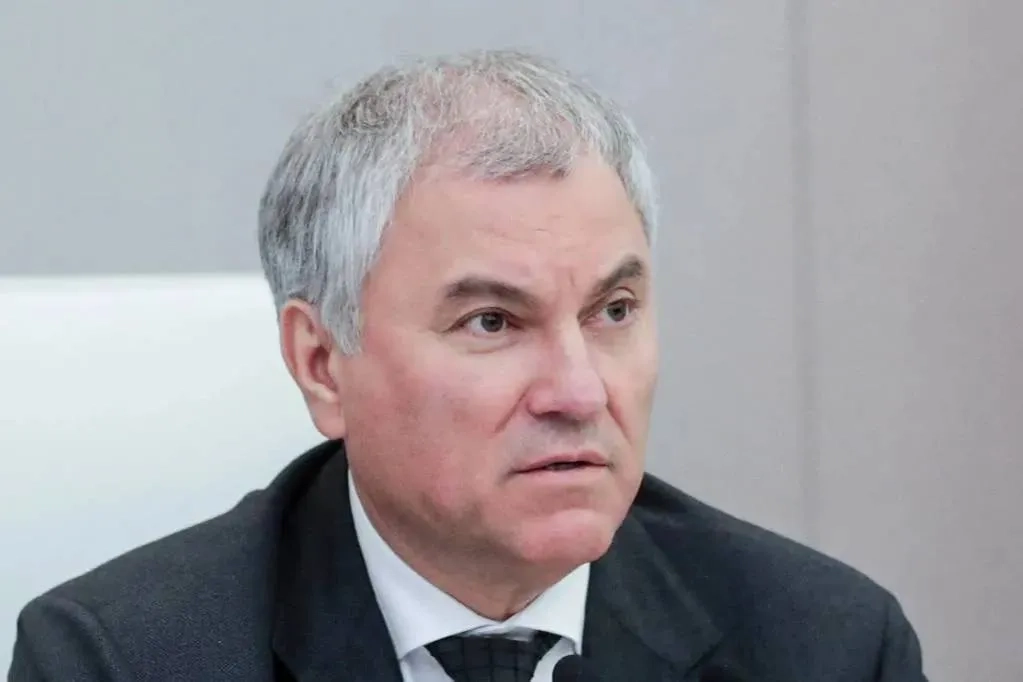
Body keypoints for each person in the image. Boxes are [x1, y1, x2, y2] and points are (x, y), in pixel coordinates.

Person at [8, 50, 927, 681]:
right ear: (322, 364)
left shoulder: (825, 646)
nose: (578, 391)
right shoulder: (118, 659)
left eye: (612, 312)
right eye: (492, 322)